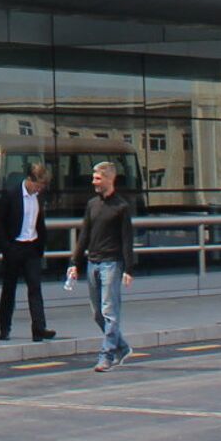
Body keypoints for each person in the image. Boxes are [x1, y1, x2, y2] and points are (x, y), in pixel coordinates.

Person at [68, 158, 136, 371]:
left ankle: (106, 356)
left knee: (109, 312)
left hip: (111, 264)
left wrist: (128, 268)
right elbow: (84, 234)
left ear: (109, 179)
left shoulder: (121, 207)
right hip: (92, 263)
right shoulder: (92, 204)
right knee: (97, 313)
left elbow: (127, 239)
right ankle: (122, 347)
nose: (93, 182)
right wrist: (74, 262)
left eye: (97, 178)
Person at [0, 161, 57, 344]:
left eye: (42, 187)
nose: (39, 189)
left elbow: (39, 222)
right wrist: (6, 246)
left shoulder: (38, 197)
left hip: (32, 247)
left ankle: (39, 328)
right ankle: (5, 328)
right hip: (14, 247)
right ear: (30, 179)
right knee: (9, 289)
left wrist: (40, 245)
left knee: (35, 288)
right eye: (38, 185)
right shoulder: (11, 194)